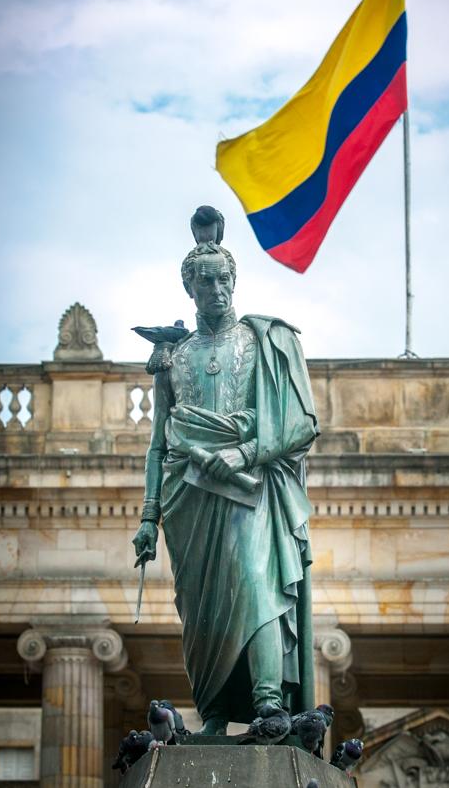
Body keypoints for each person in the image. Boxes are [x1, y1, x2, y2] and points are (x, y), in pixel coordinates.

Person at [133, 208, 318, 735]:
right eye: (203, 280)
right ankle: (213, 714)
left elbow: (301, 423)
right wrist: (149, 517)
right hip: (188, 498)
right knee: (201, 611)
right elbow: (159, 443)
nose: (215, 288)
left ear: (235, 281)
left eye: (222, 278)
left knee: (256, 580)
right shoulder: (173, 358)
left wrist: (244, 452)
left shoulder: (266, 341)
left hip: (250, 487)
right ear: (188, 288)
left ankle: (267, 700)